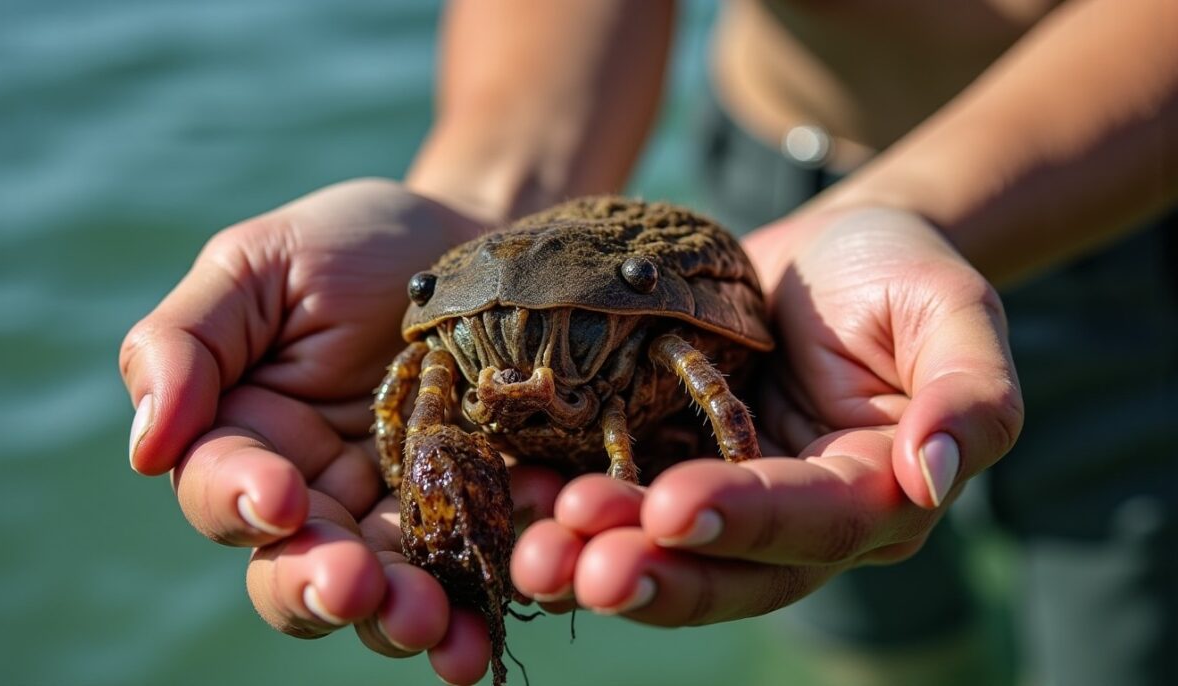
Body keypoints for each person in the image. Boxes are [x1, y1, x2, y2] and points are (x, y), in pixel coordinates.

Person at [119, 1, 1175, 684]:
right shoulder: (458, 345)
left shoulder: (668, 344)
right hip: (778, 158)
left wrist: (919, 206)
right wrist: (480, 193)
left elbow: (698, 375)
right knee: (868, 635)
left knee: (1121, 632)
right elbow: (417, 374)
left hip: (1136, 205)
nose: (512, 356)